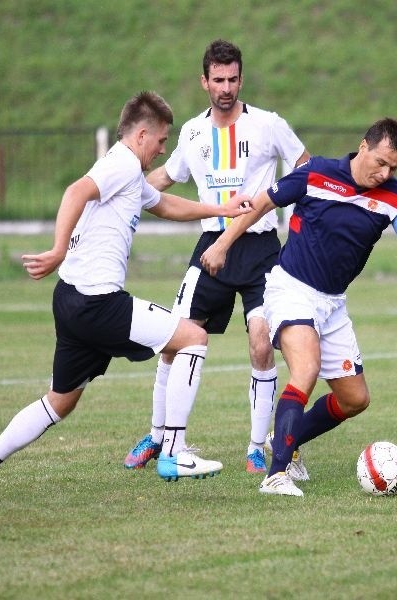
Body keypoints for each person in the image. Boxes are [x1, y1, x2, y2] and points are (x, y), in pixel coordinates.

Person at [0, 91, 252, 498]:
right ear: (143, 134)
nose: (163, 149)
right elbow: (75, 192)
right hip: (99, 302)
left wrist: (223, 209)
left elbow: (163, 204)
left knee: (59, 402)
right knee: (193, 338)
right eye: (162, 140)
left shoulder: (128, 171)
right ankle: (174, 451)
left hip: (71, 301)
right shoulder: (122, 164)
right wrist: (58, 249)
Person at [200, 118, 397, 496]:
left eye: (393, 167)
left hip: (332, 305)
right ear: (363, 146)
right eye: (380, 162)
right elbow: (262, 203)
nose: (385, 172)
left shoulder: (396, 198)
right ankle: (276, 474)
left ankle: (286, 438)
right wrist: (222, 244)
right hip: (291, 288)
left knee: (355, 399)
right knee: (307, 368)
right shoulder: (314, 173)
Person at [123, 39, 310, 476]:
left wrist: (300, 216)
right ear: (204, 81)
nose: (225, 88)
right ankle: (159, 437)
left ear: (241, 79)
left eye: (232, 79)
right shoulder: (190, 132)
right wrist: (118, 187)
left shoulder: (268, 125)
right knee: (175, 340)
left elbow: (304, 166)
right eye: (217, 80)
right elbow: (164, 178)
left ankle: (256, 446)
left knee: (262, 343)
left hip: (261, 249)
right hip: (210, 244)